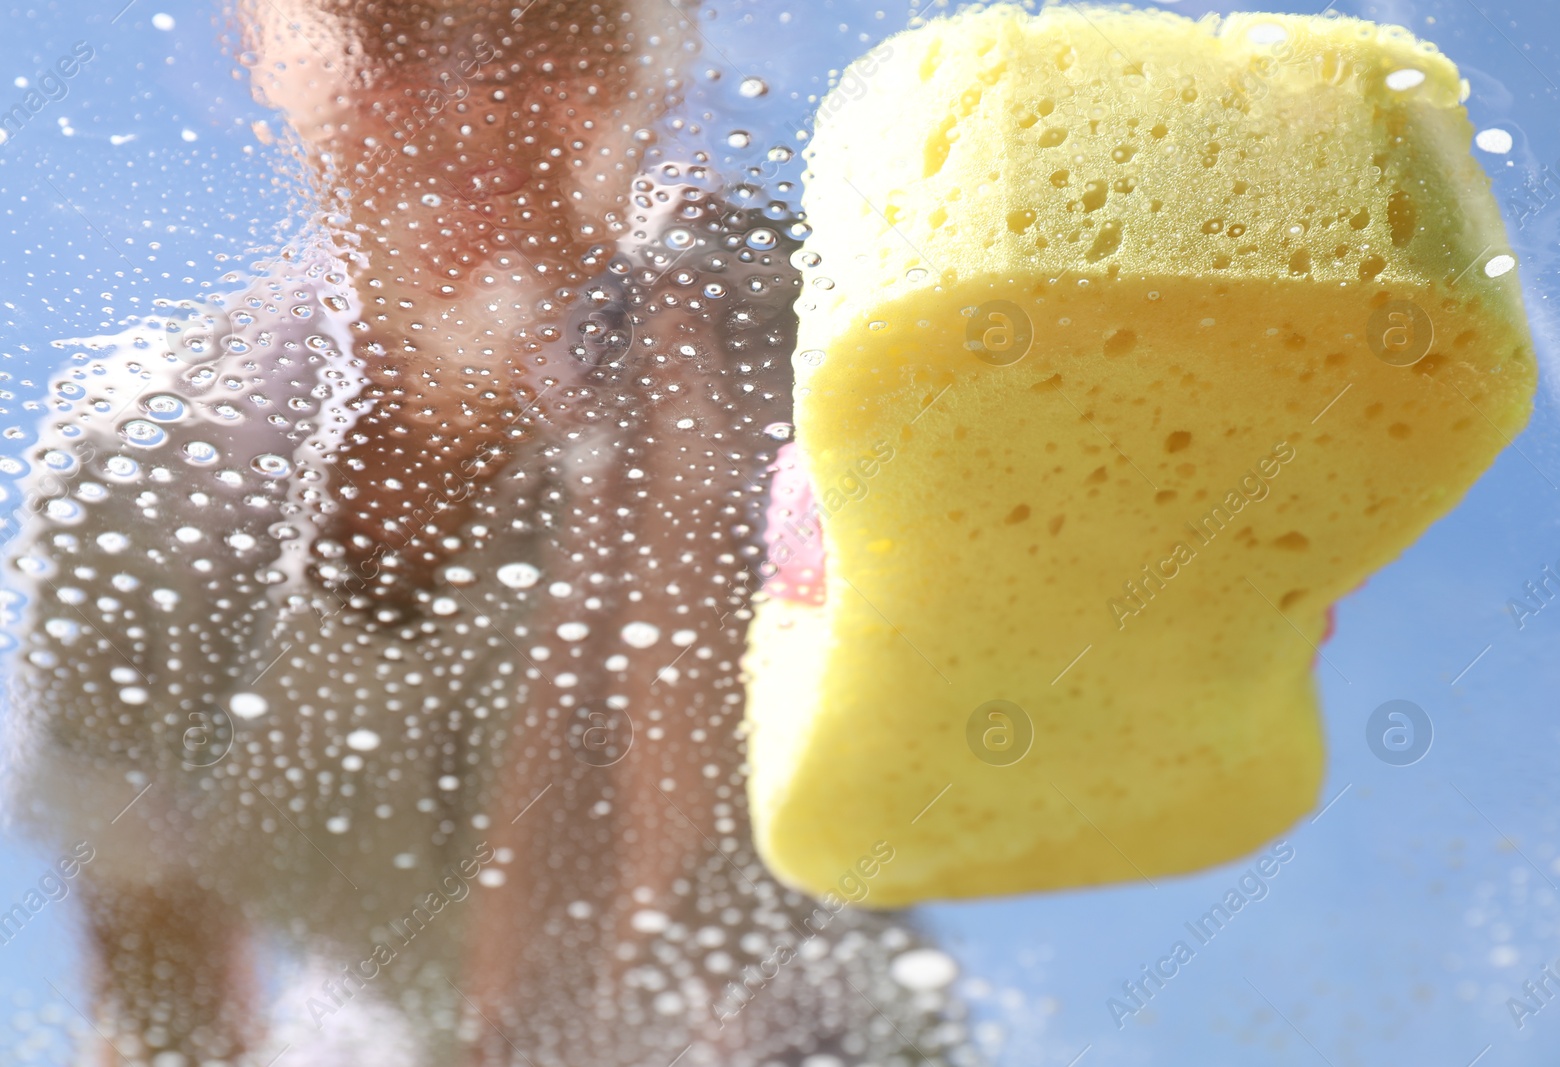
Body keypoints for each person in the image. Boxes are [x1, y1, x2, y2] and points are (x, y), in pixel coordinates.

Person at [6, 2, 973, 1064]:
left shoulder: (833, 364)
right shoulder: (135, 489)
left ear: (669, 44)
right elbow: (161, 994)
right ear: (262, 42)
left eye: (559, 18)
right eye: (388, 24)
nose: (477, 94)